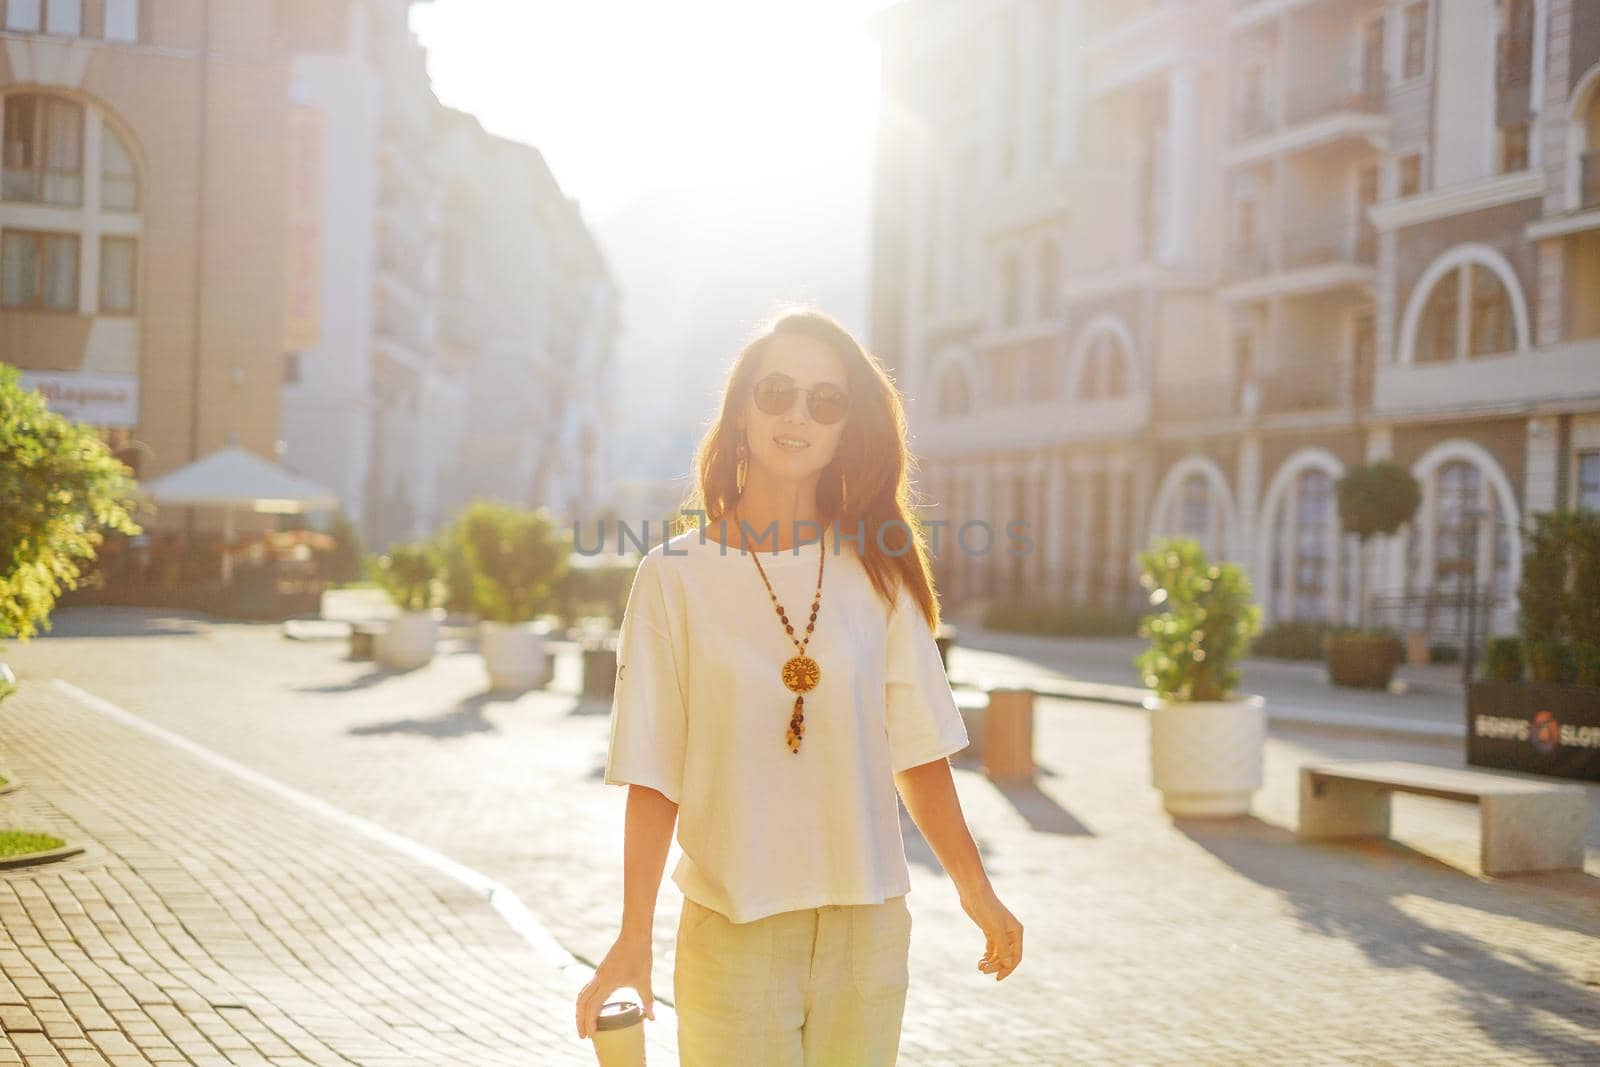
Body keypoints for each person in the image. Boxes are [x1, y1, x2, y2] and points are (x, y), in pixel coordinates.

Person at [574, 309, 1023, 1065]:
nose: (798, 415)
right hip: (735, 930)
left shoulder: (880, 572)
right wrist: (632, 935)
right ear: (742, 408)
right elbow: (653, 773)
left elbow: (918, 751)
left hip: (868, 933)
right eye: (777, 391)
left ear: (847, 427)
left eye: (826, 400)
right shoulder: (671, 578)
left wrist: (977, 893)